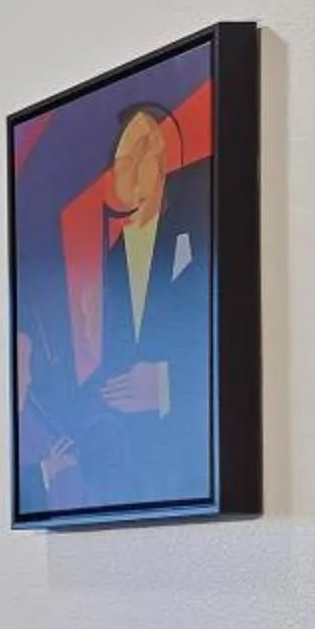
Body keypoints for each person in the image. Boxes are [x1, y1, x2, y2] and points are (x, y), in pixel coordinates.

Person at [88, 100, 213, 503]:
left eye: (149, 150)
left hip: (199, 447)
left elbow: (231, 329)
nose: (140, 166)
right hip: (137, 461)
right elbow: (115, 355)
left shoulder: (202, 221)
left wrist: (167, 384)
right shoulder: (114, 254)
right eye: (129, 158)